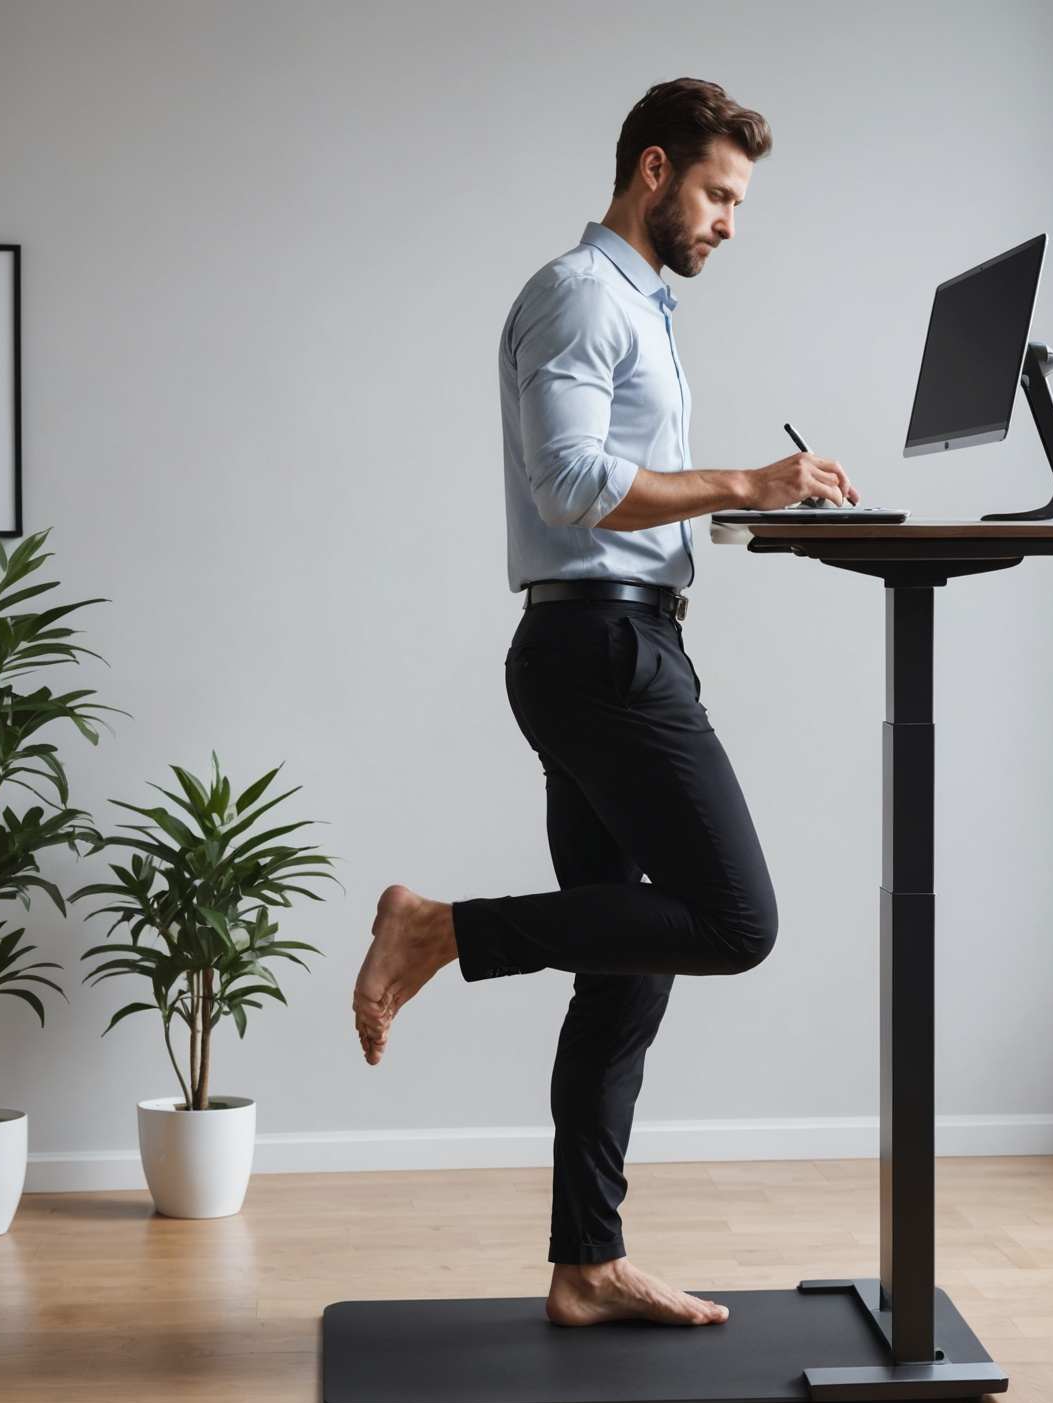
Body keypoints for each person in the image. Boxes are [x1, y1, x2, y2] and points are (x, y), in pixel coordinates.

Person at [351, 77, 859, 1331]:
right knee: (735, 920)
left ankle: (587, 1262)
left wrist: (752, 503)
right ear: (652, 170)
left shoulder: (640, 304)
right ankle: (437, 929)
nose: (731, 220)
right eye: (720, 194)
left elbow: (619, 482)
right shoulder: (581, 295)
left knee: (627, 970)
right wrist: (745, 475)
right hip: (598, 653)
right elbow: (573, 480)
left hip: (620, 640)